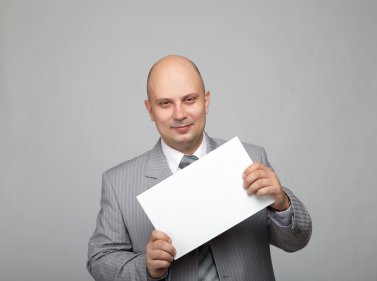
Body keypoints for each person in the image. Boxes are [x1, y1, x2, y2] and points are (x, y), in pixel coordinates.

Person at [87, 55, 312, 281]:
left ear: (206, 101)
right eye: (165, 103)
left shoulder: (251, 158)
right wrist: (145, 266)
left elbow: (296, 241)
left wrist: (282, 202)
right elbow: (100, 261)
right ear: (150, 110)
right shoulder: (118, 183)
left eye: (189, 100)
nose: (179, 114)